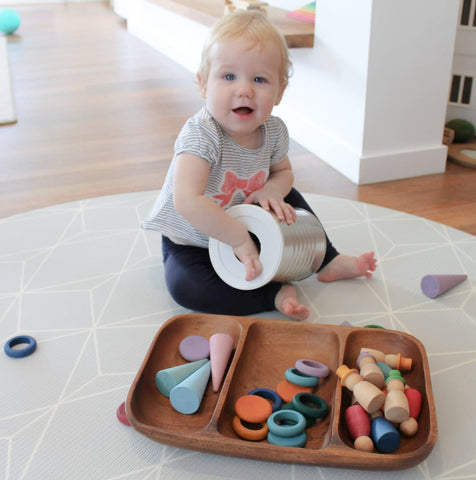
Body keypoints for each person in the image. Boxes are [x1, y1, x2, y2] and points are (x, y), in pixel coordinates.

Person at [143, 10, 376, 321]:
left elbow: (284, 173)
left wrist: (271, 190)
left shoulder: (274, 131)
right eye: (228, 76)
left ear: (279, 91)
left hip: (250, 223)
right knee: (184, 287)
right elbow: (187, 201)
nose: (244, 89)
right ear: (202, 84)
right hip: (194, 242)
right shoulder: (201, 135)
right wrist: (237, 238)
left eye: (259, 79)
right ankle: (272, 295)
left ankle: (327, 259)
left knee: (288, 196)